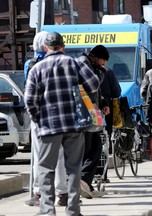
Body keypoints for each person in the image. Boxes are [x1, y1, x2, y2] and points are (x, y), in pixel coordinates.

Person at [24, 32, 100, 216]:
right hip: (73, 125)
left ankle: (47, 210)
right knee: (74, 169)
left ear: (45, 48)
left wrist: (38, 118)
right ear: (63, 47)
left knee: (45, 170)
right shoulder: (74, 63)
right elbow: (94, 84)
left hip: (48, 126)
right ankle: (73, 210)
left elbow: (29, 100)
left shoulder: (37, 69)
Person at [24, 31, 69, 207]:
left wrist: (34, 115)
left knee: (39, 156)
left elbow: (29, 92)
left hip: (39, 117)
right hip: (60, 115)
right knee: (59, 157)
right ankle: (62, 193)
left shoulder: (32, 64)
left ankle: (39, 193)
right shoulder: (63, 62)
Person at [77, 45, 111, 199]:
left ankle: (86, 183)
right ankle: (83, 181)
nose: (104, 64)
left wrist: (103, 103)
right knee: (91, 148)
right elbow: (91, 88)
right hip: (84, 114)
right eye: (103, 60)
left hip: (91, 112)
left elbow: (96, 92)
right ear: (96, 57)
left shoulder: (91, 65)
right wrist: (101, 73)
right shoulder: (84, 64)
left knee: (96, 147)